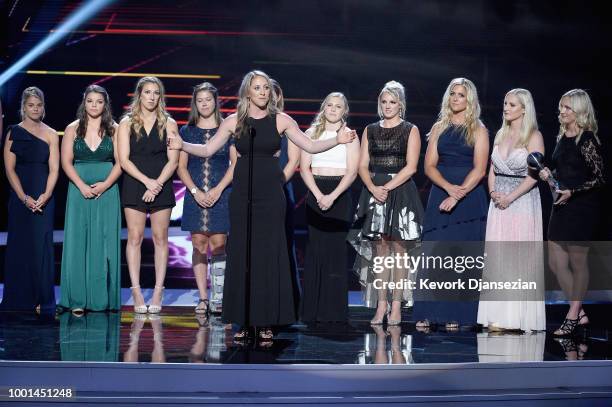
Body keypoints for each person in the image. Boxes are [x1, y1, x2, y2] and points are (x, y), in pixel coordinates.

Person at [167, 70, 356, 342]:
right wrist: (181, 143)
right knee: (243, 256)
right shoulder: (234, 121)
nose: (263, 92)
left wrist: (337, 140)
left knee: (269, 256)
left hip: (271, 193)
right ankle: (243, 320)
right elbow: (208, 150)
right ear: (247, 92)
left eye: (266, 87)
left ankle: (267, 320)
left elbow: (310, 145)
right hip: (242, 194)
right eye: (258, 87)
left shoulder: (281, 120)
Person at [412, 77, 489, 330]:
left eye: (462, 95)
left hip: (469, 197)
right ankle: (429, 311)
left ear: (470, 100)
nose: (456, 98)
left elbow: (480, 169)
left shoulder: (479, 129)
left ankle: (457, 313)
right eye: (453, 94)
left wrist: (457, 195)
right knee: (435, 254)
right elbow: (429, 166)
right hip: (441, 192)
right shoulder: (438, 127)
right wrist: (447, 189)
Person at [348, 81, 424, 326]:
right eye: (384, 101)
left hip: (400, 191)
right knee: (380, 253)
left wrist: (386, 188)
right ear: (379, 104)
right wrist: (373, 188)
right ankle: (381, 305)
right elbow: (362, 165)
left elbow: (412, 167)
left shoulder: (410, 129)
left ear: (400, 104)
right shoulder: (370, 129)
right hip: (375, 190)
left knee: (398, 252)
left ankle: (397, 307)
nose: (388, 106)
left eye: (393, 101)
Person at [476, 88, 546, 332]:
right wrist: (494, 193)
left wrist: (510, 197)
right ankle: (497, 317)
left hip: (522, 201)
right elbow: (492, 170)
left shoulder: (534, 136)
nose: (506, 108)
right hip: (498, 204)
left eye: (512, 104)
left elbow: (534, 177)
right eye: (505, 103)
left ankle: (518, 317)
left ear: (524, 109)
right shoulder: (500, 133)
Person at [539, 89, 604, 336]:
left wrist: (573, 192)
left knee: (578, 263)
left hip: (582, 207)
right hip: (561, 205)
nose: (561, 112)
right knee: (556, 263)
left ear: (579, 111)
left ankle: (573, 315)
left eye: (566, 108)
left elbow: (598, 179)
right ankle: (579, 311)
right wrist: (547, 173)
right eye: (561, 107)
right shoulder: (562, 137)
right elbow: (557, 169)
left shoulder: (588, 140)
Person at [117, 76, 180, 314]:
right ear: (139, 95)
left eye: (156, 93)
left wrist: (157, 184)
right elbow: (123, 159)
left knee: (160, 238)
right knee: (134, 238)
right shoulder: (126, 123)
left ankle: (157, 290)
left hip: (161, 184)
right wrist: (147, 182)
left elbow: (173, 161)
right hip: (135, 183)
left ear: (160, 96)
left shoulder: (169, 123)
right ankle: (135, 290)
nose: (152, 97)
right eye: (147, 93)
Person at [59, 85, 122, 314]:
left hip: (108, 190)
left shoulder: (115, 129)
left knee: (104, 243)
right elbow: (66, 162)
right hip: (78, 189)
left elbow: (121, 162)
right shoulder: (72, 129)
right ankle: (77, 299)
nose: (94, 105)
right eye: (90, 101)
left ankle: (101, 300)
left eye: (99, 101)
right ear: (84, 102)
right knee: (78, 242)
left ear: (105, 105)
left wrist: (105, 185)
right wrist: (82, 186)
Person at [176, 82, 237, 315]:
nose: (204, 104)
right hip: (195, 196)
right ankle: (203, 297)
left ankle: (218, 297)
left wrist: (219, 189)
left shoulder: (227, 129)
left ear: (215, 102)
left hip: (221, 193)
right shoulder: (186, 131)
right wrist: (195, 192)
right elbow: (181, 167)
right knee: (199, 244)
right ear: (195, 103)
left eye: (208, 99)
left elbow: (235, 164)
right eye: (199, 100)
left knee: (219, 244)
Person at [300, 92, 360, 323]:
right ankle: (312, 311)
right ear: (324, 107)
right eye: (330, 105)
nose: (333, 109)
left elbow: (352, 171)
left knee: (335, 253)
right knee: (316, 251)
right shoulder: (311, 134)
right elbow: (304, 168)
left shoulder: (351, 136)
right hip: (316, 191)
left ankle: (333, 312)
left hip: (340, 194)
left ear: (344, 111)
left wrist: (332, 196)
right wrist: (318, 195)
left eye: (338, 106)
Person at [1, 87, 59, 312]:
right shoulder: (13, 132)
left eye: (38, 105)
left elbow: (54, 169)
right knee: (20, 245)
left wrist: (45, 195)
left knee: (41, 246)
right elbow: (9, 169)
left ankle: (41, 298)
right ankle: (19, 298)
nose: (35, 109)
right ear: (23, 107)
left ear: (43, 107)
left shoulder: (52, 134)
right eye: (30, 105)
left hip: (45, 195)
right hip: (20, 196)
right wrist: (23, 197)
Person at [270, 79, 302, 316]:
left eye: (273, 93)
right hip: (254, 190)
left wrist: (279, 181)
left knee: (283, 243)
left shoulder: (287, 122)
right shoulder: (246, 121)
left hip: (281, 187)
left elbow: (294, 160)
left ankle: (286, 301)